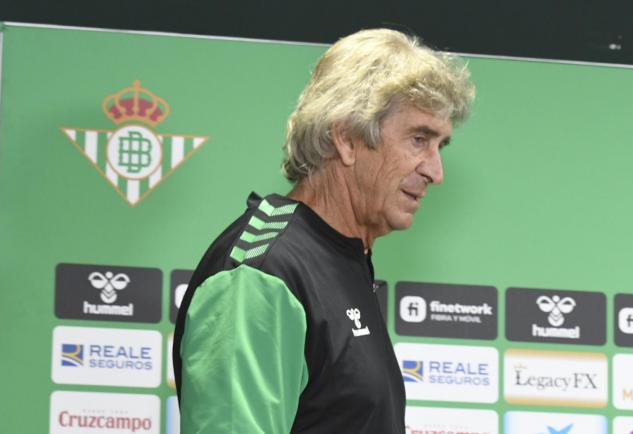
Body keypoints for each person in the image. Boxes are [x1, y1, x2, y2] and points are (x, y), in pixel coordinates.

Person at [173, 28, 475, 434]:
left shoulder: (344, 257)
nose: (435, 172)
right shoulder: (261, 273)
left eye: (440, 146)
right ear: (346, 137)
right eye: (419, 139)